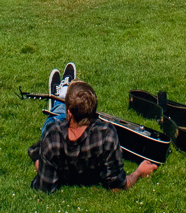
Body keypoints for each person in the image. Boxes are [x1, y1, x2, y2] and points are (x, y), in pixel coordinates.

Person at [28, 81, 157, 192]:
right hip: (78, 119)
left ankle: (60, 98)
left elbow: (43, 187)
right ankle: (64, 93)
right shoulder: (107, 134)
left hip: (60, 122)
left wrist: (39, 163)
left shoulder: (52, 136)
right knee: (65, 112)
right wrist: (139, 172)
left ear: (70, 114)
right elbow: (117, 185)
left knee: (56, 116)